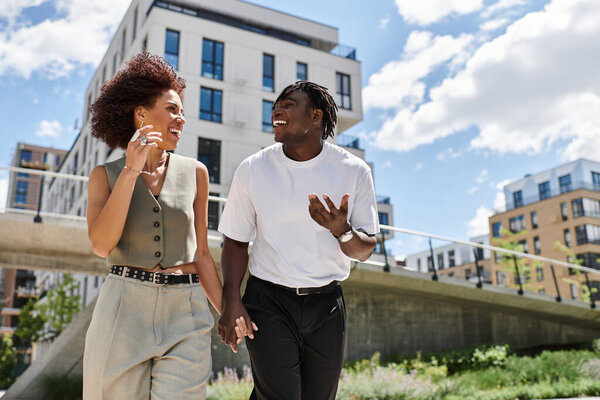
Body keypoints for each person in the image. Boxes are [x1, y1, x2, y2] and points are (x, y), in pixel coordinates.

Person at [83, 52, 242, 399]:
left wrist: (229, 312)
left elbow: (201, 253)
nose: (181, 118)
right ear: (141, 113)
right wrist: (131, 170)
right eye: (172, 109)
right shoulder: (104, 177)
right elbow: (101, 245)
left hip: (185, 309)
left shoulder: (196, 172)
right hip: (124, 308)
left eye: (182, 111)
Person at [218, 81, 379, 400]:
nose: (277, 109)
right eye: (275, 105)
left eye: (289, 104)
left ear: (316, 116)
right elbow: (235, 240)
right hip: (268, 301)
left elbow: (365, 248)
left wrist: (341, 230)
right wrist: (231, 300)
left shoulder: (353, 170)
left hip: (327, 304)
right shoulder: (252, 168)